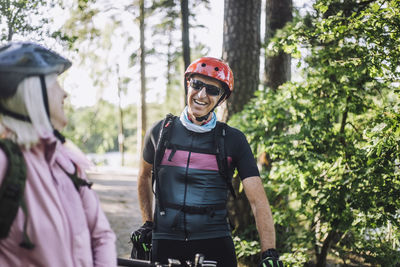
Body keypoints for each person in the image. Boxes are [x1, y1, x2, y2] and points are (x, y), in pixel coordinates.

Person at [132, 57, 283, 266]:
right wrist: (148, 223)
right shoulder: (159, 133)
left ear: (221, 98)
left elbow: (258, 201)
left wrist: (269, 252)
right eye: (197, 84)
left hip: (215, 245)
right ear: (188, 84)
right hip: (166, 242)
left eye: (212, 90)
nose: (202, 94)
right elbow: (144, 176)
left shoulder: (233, 140)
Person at [0, 42, 117, 267]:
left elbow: (102, 237)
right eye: (56, 83)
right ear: (32, 92)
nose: (65, 92)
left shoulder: (68, 163)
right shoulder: (5, 163)